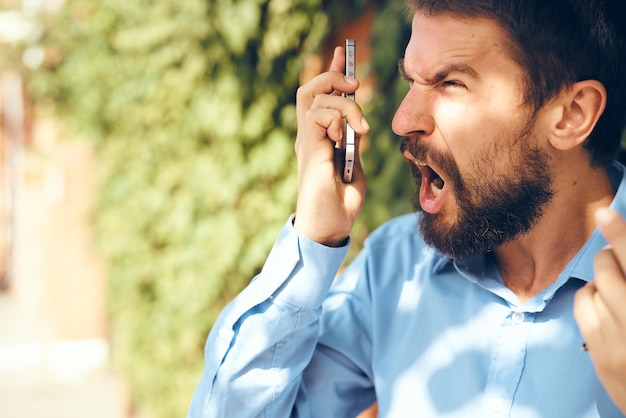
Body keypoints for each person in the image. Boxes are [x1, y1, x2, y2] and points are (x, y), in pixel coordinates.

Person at [188, 0, 626, 416]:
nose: (402, 120)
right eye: (411, 81)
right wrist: (314, 237)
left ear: (571, 114)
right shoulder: (395, 270)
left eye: (450, 83)